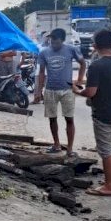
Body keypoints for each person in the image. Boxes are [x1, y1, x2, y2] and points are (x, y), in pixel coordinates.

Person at [72, 29, 111, 196]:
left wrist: (77, 91)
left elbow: (91, 92)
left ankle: (109, 185)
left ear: (94, 46)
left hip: (105, 114)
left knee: (107, 150)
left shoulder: (97, 66)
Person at [34, 28, 87, 157]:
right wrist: (39, 90)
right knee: (52, 119)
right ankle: (56, 144)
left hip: (67, 89)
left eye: (56, 40)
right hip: (50, 89)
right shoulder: (44, 52)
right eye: (51, 40)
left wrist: (79, 81)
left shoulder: (71, 49)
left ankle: (69, 148)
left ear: (62, 40)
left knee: (69, 118)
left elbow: (83, 63)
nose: (53, 43)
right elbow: (41, 72)